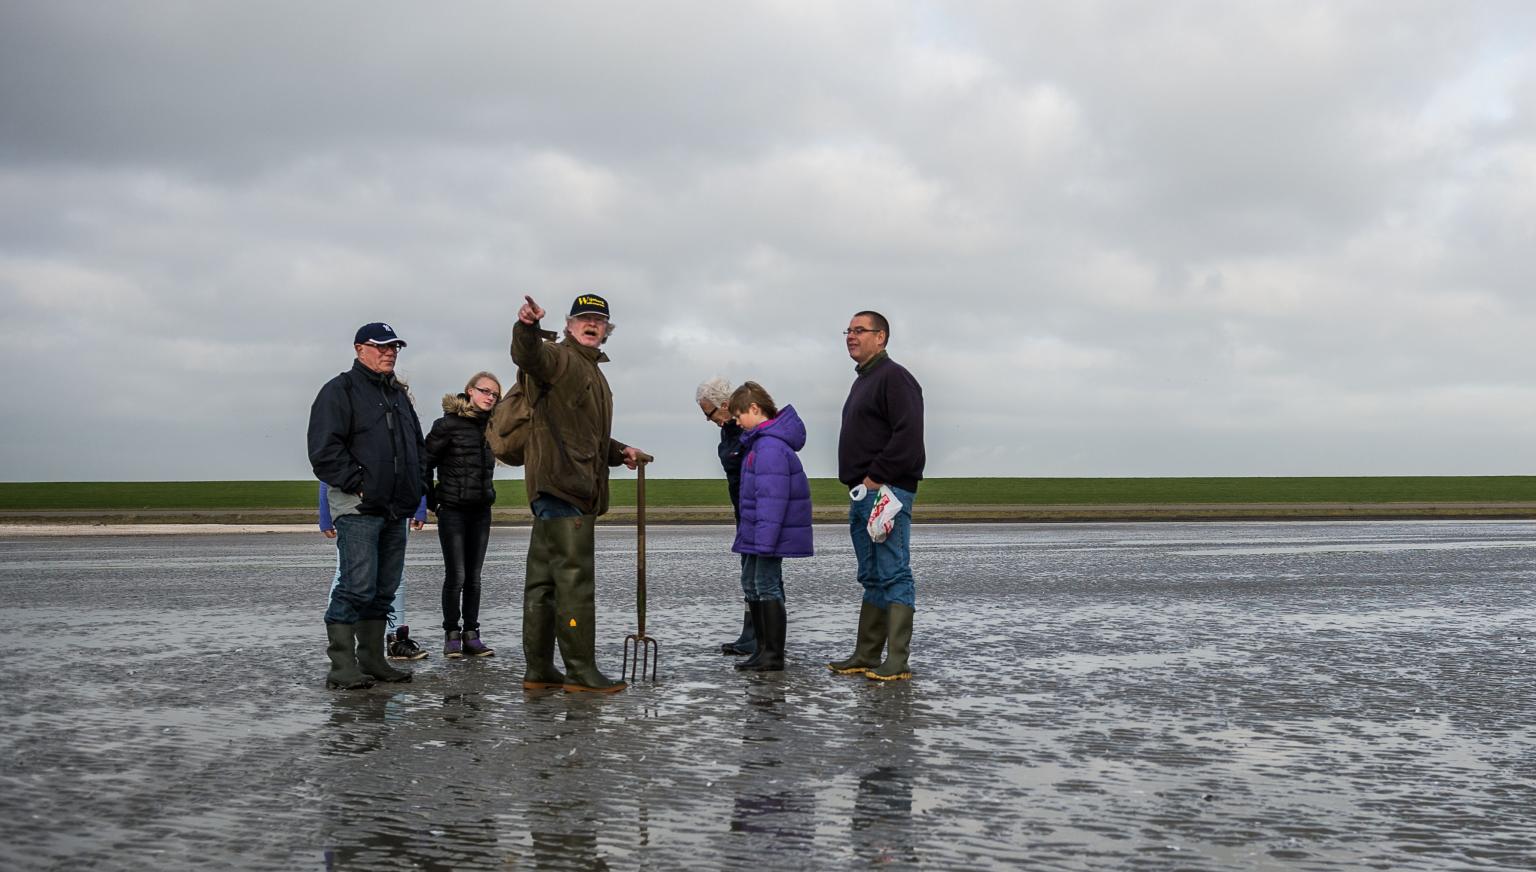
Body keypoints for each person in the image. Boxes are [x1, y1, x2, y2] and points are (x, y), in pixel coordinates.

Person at [512, 293, 647, 693]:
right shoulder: (558, 357)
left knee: (543, 583)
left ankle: (539, 670)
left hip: (557, 487)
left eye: (599, 321)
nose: (592, 325)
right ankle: (580, 671)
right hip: (563, 485)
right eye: (584, 318)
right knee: (574, 581)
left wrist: (618, 451)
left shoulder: (592, 373)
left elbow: (586, 433)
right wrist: (528, 327)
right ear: (570, 325)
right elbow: (528, 356)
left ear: (607, 330)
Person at [307, 321, 429, 689]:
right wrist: (360, 485)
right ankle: (342, 666)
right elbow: (324, 450)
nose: (389, 352)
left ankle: (373, 660)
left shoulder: (397, 394)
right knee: (356, 585)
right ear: (360, 349)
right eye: (381, 346)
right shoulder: (339, 390)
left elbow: (416, 449)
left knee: (384, 588)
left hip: (396, 508)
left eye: (394, 347)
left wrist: (417, 487)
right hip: (358, 507)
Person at [828, 311, 925, 682]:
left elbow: (908, 436)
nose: (850, 336)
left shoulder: (895, 378)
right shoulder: (864, 380)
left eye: (859, 330)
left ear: (881, 337)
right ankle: (866, 654)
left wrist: (874, 478)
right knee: (871, 574)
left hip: (887, 491)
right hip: (861, 493)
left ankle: (897, 660)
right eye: (848, 331)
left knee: (894, 572)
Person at [727, 381, 813, 672]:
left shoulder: (770, 447)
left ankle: (772, 654)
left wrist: (765, 540)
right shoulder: (759, 444)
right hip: (757, 532)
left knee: (765, 585)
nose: (737, 423)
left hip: (767, 534)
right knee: (751, 583)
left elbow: (772, 499)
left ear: (755, 409)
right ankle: (762, 649)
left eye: (739, 416)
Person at [424, 371, 502, 659]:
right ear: (470, 391)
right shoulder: (447, 425)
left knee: (475, 577)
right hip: (453, 510)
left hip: (481, 511)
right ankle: (451, 635)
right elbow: (425, 462)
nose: (489, 397)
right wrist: (434, 502)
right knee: (455, 575)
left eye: (494, 394)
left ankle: (472, 634)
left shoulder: (492, 428)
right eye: (484, 391)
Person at [318, 482, 429, 660]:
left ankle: (396, 638)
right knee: (348, 575)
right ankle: (342, 643)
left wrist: (419, 505)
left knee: (395, 574)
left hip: (396, 508)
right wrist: (325, 514)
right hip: (353, 509)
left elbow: (414, 463)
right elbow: (329, 468)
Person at [696, 377, 753, 656]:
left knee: (760, 575)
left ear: (726, 405)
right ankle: (750, 633)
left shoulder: (746, 431)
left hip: (755, 512)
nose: (709, 420)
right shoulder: (729, 431)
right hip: (742, 510)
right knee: (748, 573)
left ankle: (761, 638)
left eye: (710, 413)